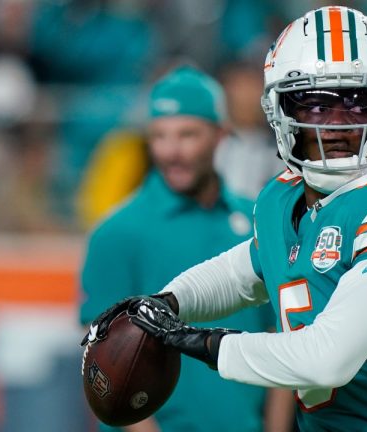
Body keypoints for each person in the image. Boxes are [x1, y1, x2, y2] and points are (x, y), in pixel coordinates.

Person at [83, 7, 367, 431]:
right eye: (314, 104)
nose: (336, 122)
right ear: (280, 109)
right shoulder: (281, 197)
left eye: (358, 101)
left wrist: (205, 344)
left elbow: (327, 360)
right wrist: (168, 302)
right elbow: (242, 270)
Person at [79, 67, 292, 432]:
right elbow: (103, 367)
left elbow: (282, 341)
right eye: (160, 136)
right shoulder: (115, 233)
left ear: (221, 135)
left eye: (188, 134)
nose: (172, 151)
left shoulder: (260, 221)